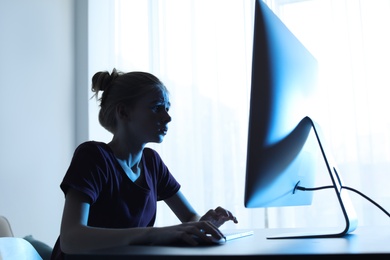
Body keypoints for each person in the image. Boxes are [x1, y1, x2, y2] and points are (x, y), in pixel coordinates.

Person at [51, 69, 238, 259]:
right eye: (157, 107)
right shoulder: (94, 157)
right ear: (123, 112)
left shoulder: (152, 162)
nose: (167, 117)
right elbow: (70, 239)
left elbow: (190, 217)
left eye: (167, 108)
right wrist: (153, 234)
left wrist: (204, 224)